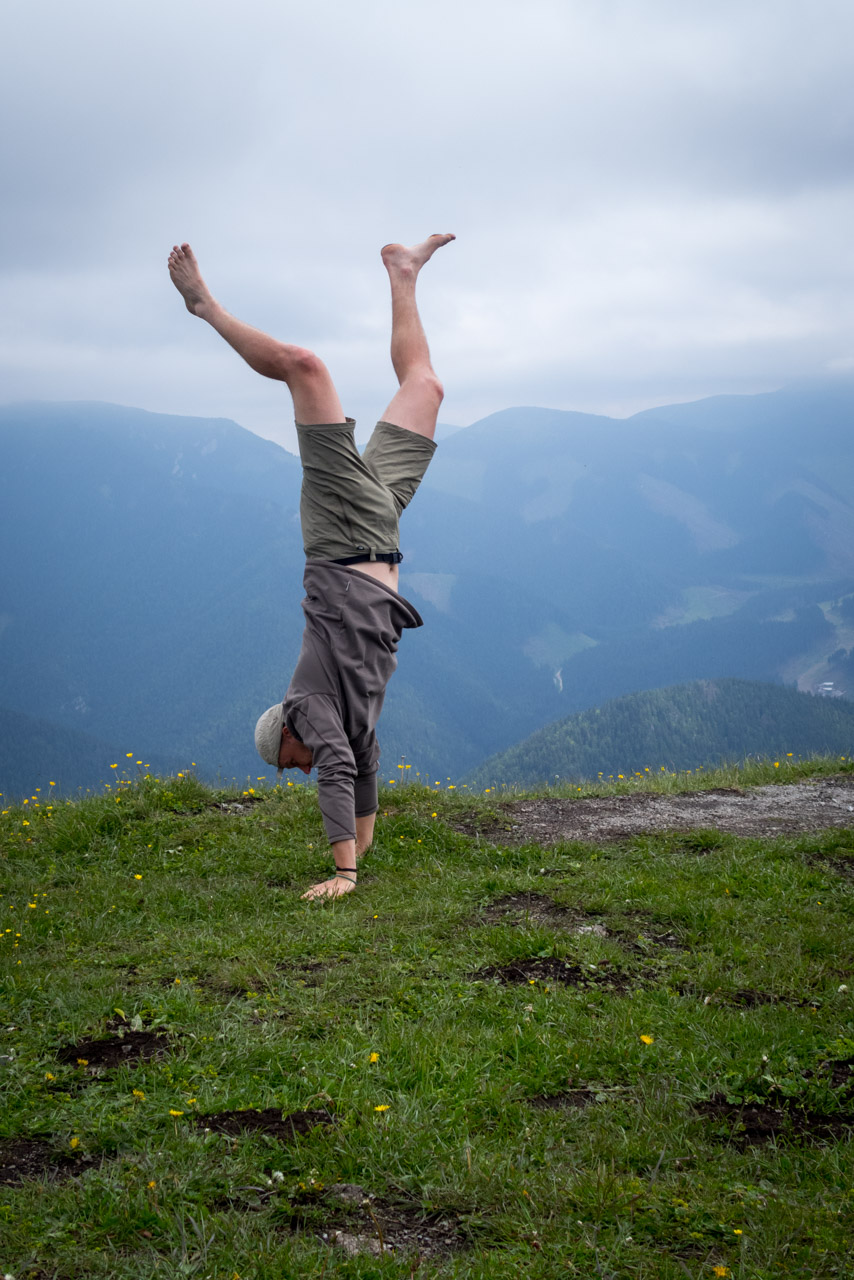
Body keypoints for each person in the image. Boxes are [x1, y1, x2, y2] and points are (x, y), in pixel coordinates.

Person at [167, 233, 455, 899]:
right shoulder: (350, 724)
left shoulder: (307, 704)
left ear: (288, 733)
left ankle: (203, 306)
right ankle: (403, 273)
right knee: (427, 385)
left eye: (285, 761)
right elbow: (362, 773)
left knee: (305, 367)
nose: (293, 769)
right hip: (377, 532)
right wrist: (362, 855)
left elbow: (332, 769)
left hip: (342, 540)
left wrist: (343, 873)